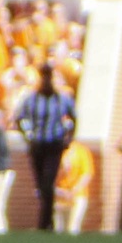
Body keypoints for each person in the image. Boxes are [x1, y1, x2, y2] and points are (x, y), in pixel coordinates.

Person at [14, 62, 76, 233]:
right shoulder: (31, 99)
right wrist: (28, 136)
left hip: (54, 144)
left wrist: (68, 139)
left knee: (48, 182)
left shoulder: (62, 99)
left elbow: (74, 117)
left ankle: (45, 223)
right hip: (37, 145)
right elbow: (19, 117)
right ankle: (48, 221)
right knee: (41, 184)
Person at [53, 139, 94, 235]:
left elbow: (87, 174)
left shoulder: (81, 150)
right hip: (59, 197)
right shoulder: (54, 150)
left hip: (77, 196)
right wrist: (60, 192)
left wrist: (74, 191)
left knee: (73, 228)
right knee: (58, 228)